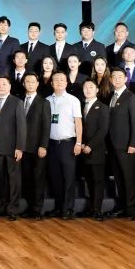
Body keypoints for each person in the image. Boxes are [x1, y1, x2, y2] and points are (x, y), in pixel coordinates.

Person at [45, 71, 84, 220]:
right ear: (51, 83)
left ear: (66, 83)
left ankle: (68, 209)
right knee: (55, 178)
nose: (59, 82)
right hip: (51, 144)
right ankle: (58, 207)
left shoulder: (73, 100)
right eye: (56, 80)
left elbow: (78, 123)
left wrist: (78, 142)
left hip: (68, 144)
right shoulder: (47, 100)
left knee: (68, 177)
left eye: (62, 80)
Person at [0, 76, 26, 220]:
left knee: (14, 180)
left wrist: (19, 147)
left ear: (9, 87)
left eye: (4, 84)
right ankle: (3, 206)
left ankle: (13, 209)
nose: (1, 87)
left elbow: (21, 127)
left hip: (12, 148)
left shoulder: (17, 102)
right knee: (2, 180)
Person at [106, 68, 135, 220]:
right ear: (110, 79)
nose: (117, 79)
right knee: (118, 178)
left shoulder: (131, 97)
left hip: (126, 145)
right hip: (112, 145)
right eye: (114, 77)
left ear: (126, 79)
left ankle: (131, 208)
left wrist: (133, 143)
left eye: (120, 76)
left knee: (128, 177)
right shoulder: (110, 96)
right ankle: (122, 206)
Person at [18, 72, 51, 218]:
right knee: (26, 179)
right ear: (23, 84)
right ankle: (29, 207)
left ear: (37, 84)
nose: (30, 84)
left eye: (33, 81)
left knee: (38, 179)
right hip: (22, 148)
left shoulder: (44, 102)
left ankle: (37, 210)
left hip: (38, 148)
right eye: (27, 81)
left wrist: (43, 146)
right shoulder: (19, 101)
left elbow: (46, 126)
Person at [78, 79, 109, 221]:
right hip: (83, 149)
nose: (88, 89)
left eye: (91, 87)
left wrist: (90, 145)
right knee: (88, 180)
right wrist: (81, 144)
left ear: (97, 90)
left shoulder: (103, 107)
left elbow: (103, 130)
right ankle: (91, 208)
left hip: (96, 150)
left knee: (97, 181)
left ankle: (97, 210)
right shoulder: (80, 106)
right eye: (85, 87)